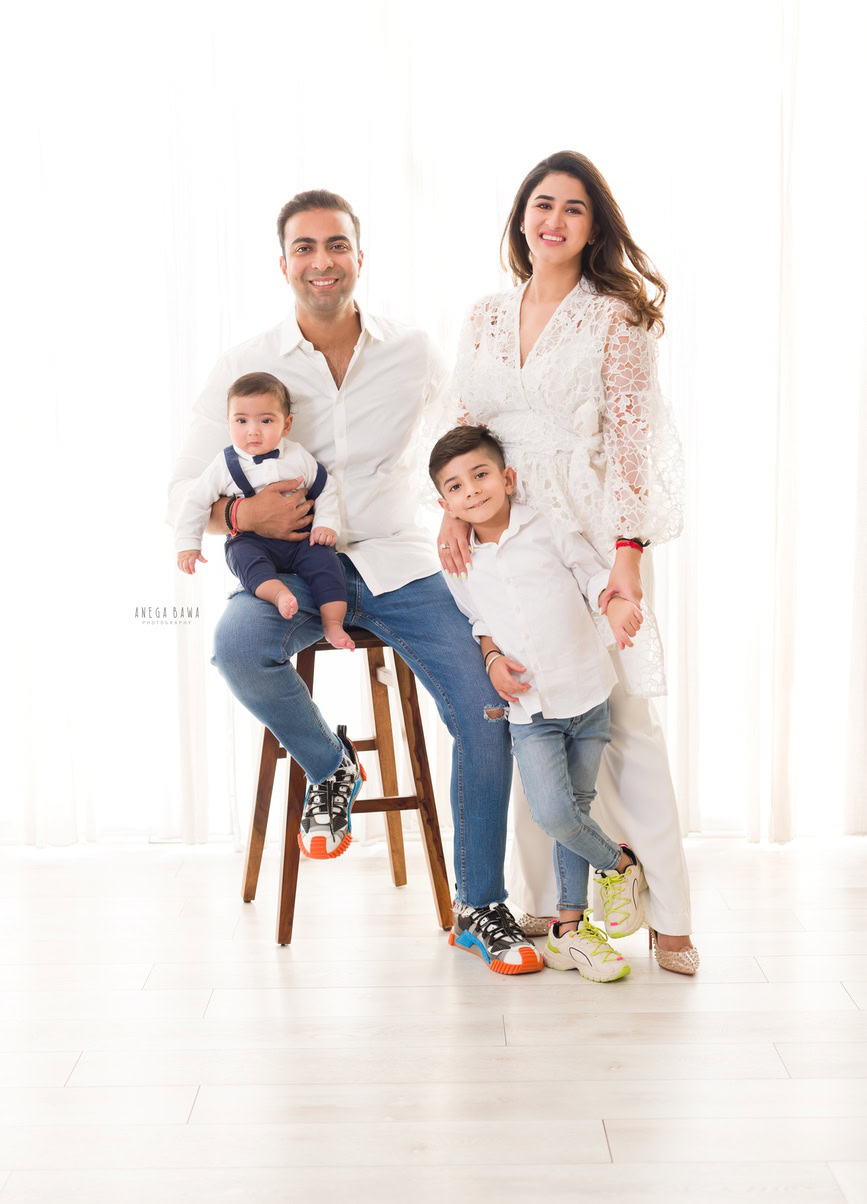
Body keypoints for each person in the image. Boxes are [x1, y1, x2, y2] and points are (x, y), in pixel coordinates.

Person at [168, 188, 543, 971]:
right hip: (298, 569)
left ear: (359, 258)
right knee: (237, 645)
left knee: (486, 707)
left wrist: (458, 512)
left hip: (404, 563)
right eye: (304, 248)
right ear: (283, 265)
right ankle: (330, 766)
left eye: (335, 245)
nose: (321, 261)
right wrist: (243, 524)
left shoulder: (413, 351)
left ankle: (481, 908)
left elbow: (462, 438)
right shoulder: (246, 367)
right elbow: (185, 494)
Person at [439, 151, 699, 975]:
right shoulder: (484, 314)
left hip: (588, 529)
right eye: (541, 203)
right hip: (502, 529)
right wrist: (452, 508)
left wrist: (625, 561)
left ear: (593, 228)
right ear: (520, 216)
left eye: (573, 209)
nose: (552, 219)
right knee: (526, 708)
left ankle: (671, 916)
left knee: (626, 726)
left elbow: (632, 447)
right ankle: (554, 907)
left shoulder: (614, 318)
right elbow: (463, 420)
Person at [430, 424, 647, 981]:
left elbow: (592, 571)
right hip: (530, 712)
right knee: (554, 812)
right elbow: (478, 623)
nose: (472, 491)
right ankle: (618, 863)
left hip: (587, 692)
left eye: (480, 475)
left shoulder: (546, 528)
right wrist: (492, 660)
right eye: (455, 486)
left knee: (574, 808)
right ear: (444, 503)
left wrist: (615, 603)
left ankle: (571, 931)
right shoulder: (459, 563)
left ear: (507, 478)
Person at [175, 372, 353, 653]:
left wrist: (326, 524)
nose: (253, 431)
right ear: (228, 421)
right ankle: (277, 593)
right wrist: (188, 544)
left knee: (327, 564)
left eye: (266, 421)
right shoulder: (224, 464)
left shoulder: (298, 456)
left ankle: (332, 623)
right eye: (241, 421)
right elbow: (195, 502)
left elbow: (326, 488)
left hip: (301, 541)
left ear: (286, 425)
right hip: (251, 540)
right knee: (242, 557)